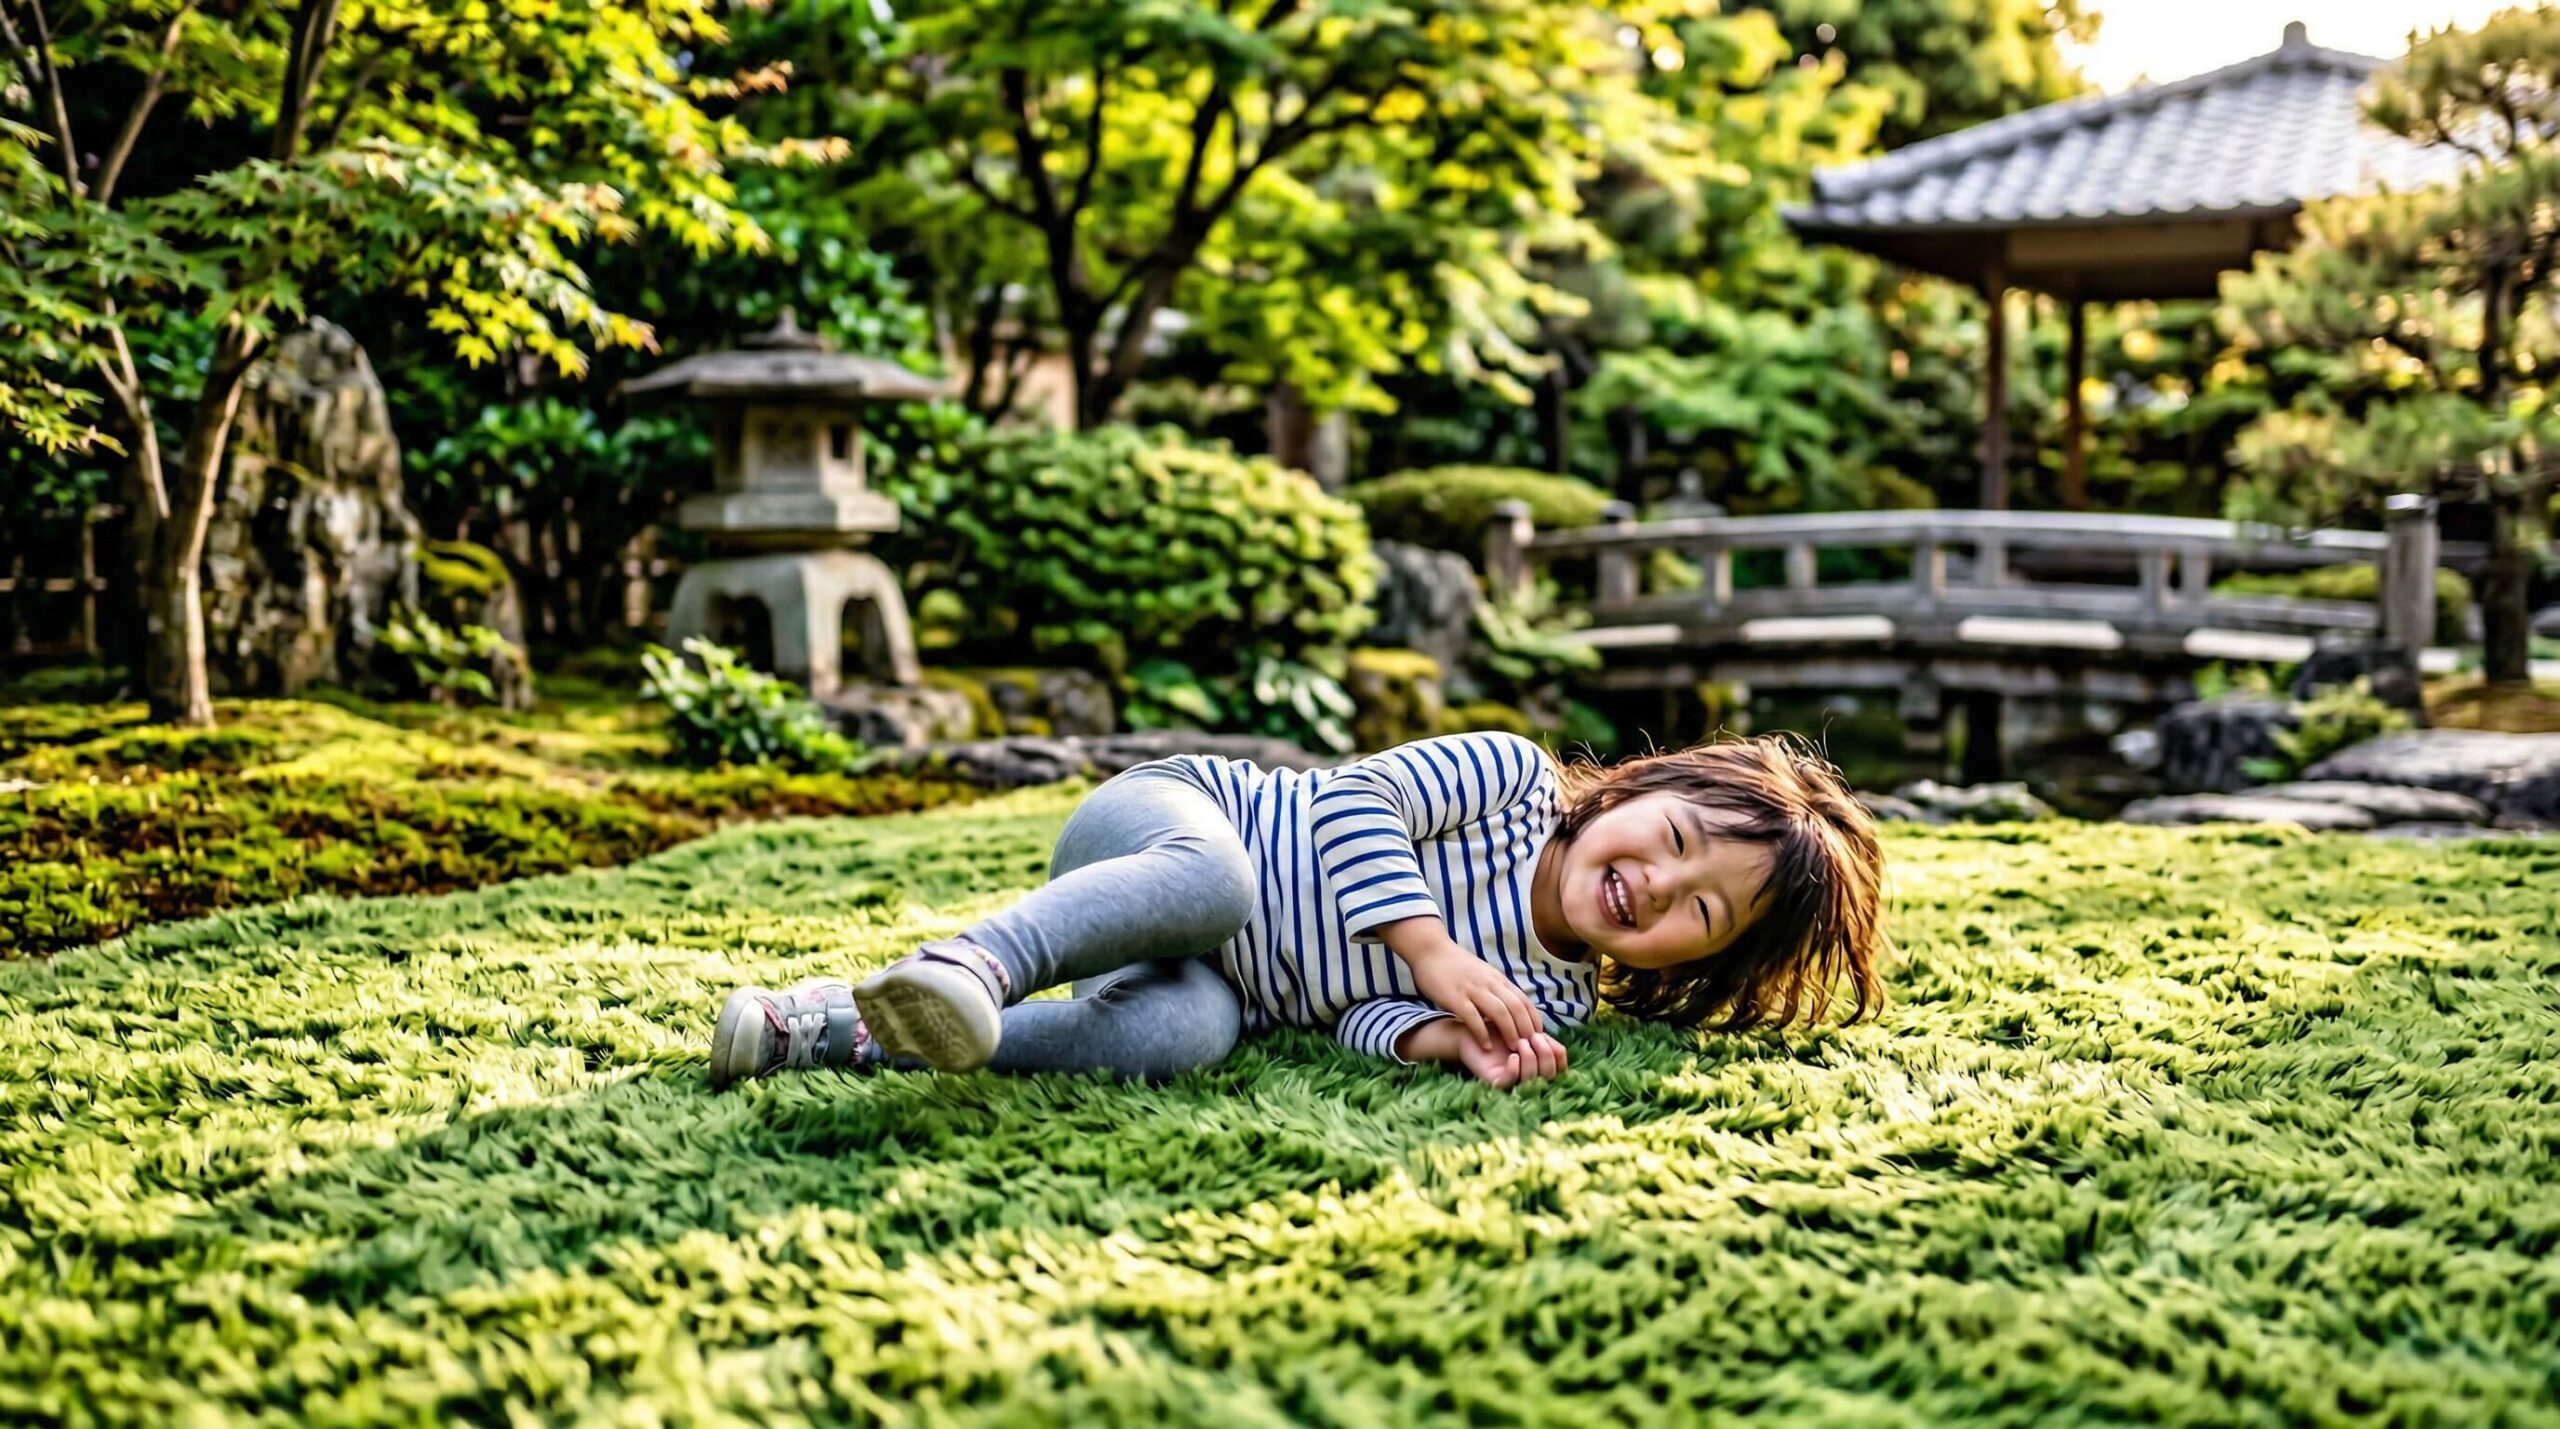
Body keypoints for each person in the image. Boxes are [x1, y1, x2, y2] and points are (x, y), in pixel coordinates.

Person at [709, 730, 1888, 1092]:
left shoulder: (1555, 995)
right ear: (1632, 790)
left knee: (1186, 1036)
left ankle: (841, 1029)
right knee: (1216, 881)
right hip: (1176, 827)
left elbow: (1353, 1020)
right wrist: (1430, 949)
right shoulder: (1508, 779)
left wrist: (1443, 1035)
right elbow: (1350, 802)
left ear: (1695, 961)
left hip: (1219, 976)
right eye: (1675, 841)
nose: (1661, 885)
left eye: (1703, 913)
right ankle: (973, 960)